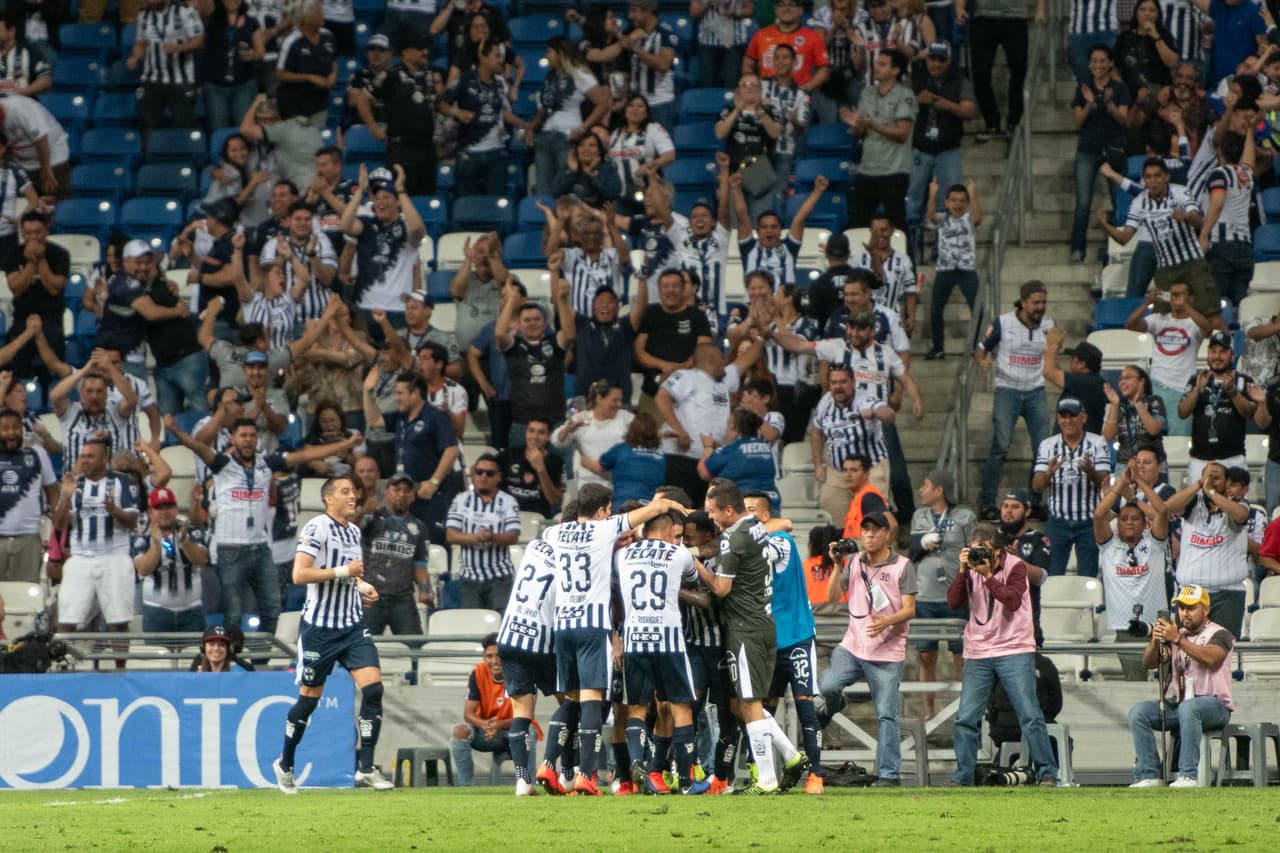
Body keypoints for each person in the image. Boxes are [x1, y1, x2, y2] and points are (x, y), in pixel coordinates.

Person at [535, 483, 689, 796]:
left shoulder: (553, 533)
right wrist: (674, 505)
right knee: (593, 698)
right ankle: (586, 775)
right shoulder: (605, 530)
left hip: (563, 626)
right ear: (604, 509)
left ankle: (548, 765)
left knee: (572, 699)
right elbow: (655, 510)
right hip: (593, 626)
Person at [166, 414, 362, 642]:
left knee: (272, 609)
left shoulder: (267, 463)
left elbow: (305, 455)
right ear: (233, 439)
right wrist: (176, 431)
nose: (248, 440)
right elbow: (198, 446)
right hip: (230, 548)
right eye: (243, 436)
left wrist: (347, 443)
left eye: (252, 435)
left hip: (260, 549)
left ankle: (261, 656)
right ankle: (231, 655)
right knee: (233, 613)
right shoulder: (222, 464)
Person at [273, 475, 394, 793]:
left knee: (373, 690)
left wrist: (362, 586)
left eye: (354, 491)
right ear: (329, 498)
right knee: (308, 702)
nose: (353, 496)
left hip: (352, 625)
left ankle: (365, 768)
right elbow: (300, 574)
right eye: (345, 491)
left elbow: (351, 574)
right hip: (320, 629)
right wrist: (345, 572)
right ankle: (285, 764)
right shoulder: (316, 527)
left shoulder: (353, 531)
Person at [697, 481, 809, 795]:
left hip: (745, 627)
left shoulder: (735, 538)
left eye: (713, 512)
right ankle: (790, 755)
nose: (711, 518)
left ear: (728, 510)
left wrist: (696, 566)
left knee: (748, 701)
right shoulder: (756, 528)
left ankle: (767, 779)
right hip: (762, 623)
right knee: (747, 702)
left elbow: (721, 589)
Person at [949, 521, 1057, 787]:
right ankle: (963, 777)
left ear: (998, 551)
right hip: (978, 649)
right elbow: (953, 602)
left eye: (984, 551)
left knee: (1029, 714)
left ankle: (1047, 773)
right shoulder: (970, 569)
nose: (980, 556)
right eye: (975, 550)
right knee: (966, 718)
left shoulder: (1016, 566)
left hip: (1014, 647)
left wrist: (988, 577)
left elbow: (1012, 600)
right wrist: (962, 571)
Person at [617, 508, 711, 795]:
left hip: (634, 639)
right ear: (671, 531)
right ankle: (686, 780)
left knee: (637, 707)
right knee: (681, 706)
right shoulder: (679, 553)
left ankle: (637, 763)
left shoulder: (623, 555)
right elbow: (692, 579)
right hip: (667, 639)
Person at [819, 510, 916, 787]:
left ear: (887, 534)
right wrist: (836, 565)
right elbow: (832, 597)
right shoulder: (855, 561)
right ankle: (835, 705)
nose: (870, 535)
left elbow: (910, 609)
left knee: (886, 714)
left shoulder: (903, 565)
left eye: (875, 530)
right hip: (853, 644)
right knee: (828, 686)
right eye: (865, 530)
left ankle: (889, 775)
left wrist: (887, 620)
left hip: (887, 652)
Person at [743, 492, 823, 794]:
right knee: (761, 708)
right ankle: (769, 771)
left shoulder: (781, 542)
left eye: (752, 510)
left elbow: (762, 551)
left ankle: (816, 775)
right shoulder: (752, 540)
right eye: (743, 510)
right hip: (768, 640)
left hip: (797, 636)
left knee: (804, 704)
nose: (746, 516)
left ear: (766, 516)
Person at [1098, 158, 1224, 332]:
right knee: (1163, 318)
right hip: (1165, 270)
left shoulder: (1180, 192)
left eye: (1157, 176)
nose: (1153, 181)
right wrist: (1105, 224)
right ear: (1144, 180)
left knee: (1212, 316)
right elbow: (1124, 237)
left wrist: (1187, 216)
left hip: (1192, 263)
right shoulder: (1139, 202)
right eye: (1148, 177)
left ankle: (1226, 347)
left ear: (1166, 177)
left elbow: (1200, 222)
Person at [1126, 585, 1234, 788]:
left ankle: (1187, 776)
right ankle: (1150, 775)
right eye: (1182, 608)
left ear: (1206, 609)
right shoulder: (1177, 635)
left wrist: (1177, 639)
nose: (1185, 613)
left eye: (1191, 608)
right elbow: (1149, 663)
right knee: (1139, 712)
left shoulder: (1220, 634)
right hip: (1181, 704)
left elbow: (1211, 658)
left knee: (1189, 708)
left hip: (1215, 706)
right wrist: (1155, 641)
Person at [975, 281, 1053, 518]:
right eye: (1036, 302)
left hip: (1036, 390)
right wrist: (982, 361)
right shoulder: (1003, 322)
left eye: (1043, 302)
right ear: (1024, 302)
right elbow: (981, 348)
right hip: (1007, 389)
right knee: (1000, 447)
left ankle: (1033, 502)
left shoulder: (1049, 325)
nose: (1040, 307)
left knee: (1042, 448)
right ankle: (987, 503)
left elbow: (1052, 356)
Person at [51, 437, 140, 643]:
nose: (84, 460)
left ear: (104, 459)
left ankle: (120, 663)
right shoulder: (74, 483)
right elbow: (60, 523)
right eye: (82, 456)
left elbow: (132, 522)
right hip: (80, 557)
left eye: (90, 456)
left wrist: (114, 511)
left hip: (115, 556)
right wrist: (66, 497)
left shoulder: (123, 481)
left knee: (119, 621)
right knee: (67, 619)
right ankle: (64, 661)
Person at [655, 339, 760, 509]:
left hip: (710, 462)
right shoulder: (686, 376)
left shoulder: (724, 380)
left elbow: (746, 360)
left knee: (704, 513)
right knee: (678, 511)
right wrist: (680, 431)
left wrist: (762, 337)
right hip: (682, 458)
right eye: (721, 358)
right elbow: (662, 397)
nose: (725, 362)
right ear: (711, 360)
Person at [1094, 466, 1172, 680]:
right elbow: (1099, 515)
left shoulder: (1154, 542)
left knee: (1170, 684)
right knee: (1136, 684)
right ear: (1117, 523)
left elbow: (1162, 512)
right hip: (1126, 626)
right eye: (1124, 518)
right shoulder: (1108, 546)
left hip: (1160, 624)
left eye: (1135, 518)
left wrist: (1139, 482)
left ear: (1145, 523)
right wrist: (1121, 483)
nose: (1129, 522)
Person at [496, 537, 560, 796]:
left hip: (509, 635)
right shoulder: (571, 556)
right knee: (573, 703)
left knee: (521, 713)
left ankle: (523, 782)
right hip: (540, 639)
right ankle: (559, 770)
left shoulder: (534, 546)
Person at [909, 468, 975, 717]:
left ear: (939, 490)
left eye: (925, 485)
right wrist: (921, 543)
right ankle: (929, 711)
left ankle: (964, 708)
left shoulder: (965, 517)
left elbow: (974, 548)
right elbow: (911, 552)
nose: (921, 490)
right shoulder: (919, 516)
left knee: (961, 656)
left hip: (955, 596)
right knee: (926, 655)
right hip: (924, 596)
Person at [1164, 462, 1251, 638]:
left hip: (1227, 595)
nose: (1211, 481)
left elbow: (1241, 515)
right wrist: (1199, 485)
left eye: (1216, 477)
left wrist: (1211, 492)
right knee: (1186, 649)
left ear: (1227, 483)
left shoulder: (1237, 504)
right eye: (1208, 476)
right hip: (1189, 594)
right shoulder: (1193, 504)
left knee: (1220, 649)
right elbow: (1169, 507)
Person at [1032, 396, 1112, 577]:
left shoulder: (1097, 443)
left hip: (1089, 523)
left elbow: (1104, 483)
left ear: (1083, 417)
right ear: (1058, 418)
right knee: (1052, 576)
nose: (1068, 421)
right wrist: (1049, 473)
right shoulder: (1047, 445)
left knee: (1088, 576)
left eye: (1073, 416)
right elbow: (1036, 485)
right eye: (1063, 416)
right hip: (1057, 522)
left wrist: (1090, 471)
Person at [441, 39, 530, 197]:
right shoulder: (464, 79)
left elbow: (502, 112)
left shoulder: (500, 84)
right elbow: (442, 104)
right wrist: (457, 113)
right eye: (497, 56)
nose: (501, 61)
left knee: (496, 201)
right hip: (469, 153)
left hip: (496, 153)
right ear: (483, 57)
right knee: (466, 202)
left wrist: (524, 124)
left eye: (502, 56)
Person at [340, 165, 428, 324]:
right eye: (377, 198)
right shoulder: (366, 224)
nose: (381, 202)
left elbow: (418, 230)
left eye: (386, 197)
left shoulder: (406, 227)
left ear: (397, 202)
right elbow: (345, 226)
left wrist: (400, 190)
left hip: (398, 310)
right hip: (365, 308)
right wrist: (360, 191)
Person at [840, 50, 916, 230]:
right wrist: (855, 124)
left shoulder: (905, 95)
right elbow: (862, 133)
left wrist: (873, 125)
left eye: (882, 64)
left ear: (895, 70)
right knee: (858, 224)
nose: (877, 67)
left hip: (894, 170)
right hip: (867, 169)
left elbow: (903, 134)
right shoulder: (867, 93)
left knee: (896, 225)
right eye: (877, 63)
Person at [1069, 44, 1130, 264]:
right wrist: (1090, 103)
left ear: (1110, 63)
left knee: (1118, 202)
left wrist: (1109, 103)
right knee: (1083, 203)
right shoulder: (1083, 87)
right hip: (1087, 150)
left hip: (1113, 151)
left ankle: (1122, 250)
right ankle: (1078, 249)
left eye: (1102, 61)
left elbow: (1123, 119)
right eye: (1094, 61)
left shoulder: (1120, 88)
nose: (1098, 65)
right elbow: (1078, 122)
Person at [1125, 280, 1212, 436]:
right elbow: (1130, 324)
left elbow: (1208, 329)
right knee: (1148, 435)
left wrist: (1185, 306)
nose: (1176, 297)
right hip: (1156, 386)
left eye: (1181, 294)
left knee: (1179, 437)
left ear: (1191, 298)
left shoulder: (1193, 323)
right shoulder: (1158, 319)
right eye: (1173, 294)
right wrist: (1147, 303)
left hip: (1181, 389)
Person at [496, 280, 575, 449]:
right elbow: (500, 334)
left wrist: (562, 301)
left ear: (545, 323)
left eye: (537, 319)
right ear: (518, 325)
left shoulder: (554, 342)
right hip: (523, 424)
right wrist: (511, 300)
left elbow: (569, 335)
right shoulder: (514, 346)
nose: (532, 323)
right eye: (527, 320)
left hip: (555, 422)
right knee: (519, 465)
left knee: (557, 465)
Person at [366, 32, 438, 196]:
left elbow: (435, 104)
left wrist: (456, 112)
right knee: (403, 196)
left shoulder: (428, 74)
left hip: (427, 149)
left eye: (425, 48)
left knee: (426, 197)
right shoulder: (391, 75)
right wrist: (373, 127)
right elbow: (363, 97)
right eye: (420, 48)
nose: (425, 52)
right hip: (403, 150)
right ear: (406, 52)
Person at [634, 269, 714, 417]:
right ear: (659, 290)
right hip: (653, 395)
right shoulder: (650, 313)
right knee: (648, 432)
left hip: (689, 398)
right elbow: (639, 351)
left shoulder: (698, 316)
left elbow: (705, 351)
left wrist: (680, 369)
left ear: (683, 289)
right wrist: (663, 365)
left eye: (675, 286)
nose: (670, 290)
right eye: (665, 286)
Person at [1177, 330, 1255, 482]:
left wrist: (1233, 392)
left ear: (1232, 355)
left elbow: (1249, 414)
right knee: (1197, 498)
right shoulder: (1196, 379)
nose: (1217, 356)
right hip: (1200, 460)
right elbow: (1182, 412)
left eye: (1222, 352)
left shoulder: (1243, 380)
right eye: (1213, 351)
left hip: (1233, 459)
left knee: (1234, 498)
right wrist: (1197, 390)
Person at [446, 455, 521, 610]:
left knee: (500, 623)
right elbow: (451, 535)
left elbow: (513, 536)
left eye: (489, 473)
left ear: (498, 477)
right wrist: (477, 537)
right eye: (479, 472)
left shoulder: (509, 501)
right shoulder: (461, 500)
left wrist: (492, 537)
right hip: (469, 578)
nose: (484, 476)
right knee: (472, 623)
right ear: (473, 475)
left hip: (500, 578)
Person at [360, 470, 430, 636]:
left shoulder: (419, 528)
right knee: (363, 644)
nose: (402, 494)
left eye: (407, 491)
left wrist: (425, 589)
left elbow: (420, 564)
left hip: (402, 599)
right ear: (387, 492)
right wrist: (362, 511)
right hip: (371, 595)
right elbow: (350, 529)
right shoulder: (372, 519)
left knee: (415, 646)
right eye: (397, 489)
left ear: (413, 496)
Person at [962, 0, 1045, 140]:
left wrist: (1041, 9)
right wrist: (959, 6)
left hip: (1015, 17)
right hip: (983, 18)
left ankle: (1014, 123)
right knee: (980, 73)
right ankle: (992, 123)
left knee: (1019, 69)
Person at [2, 211, 68, 384]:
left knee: (54, 373)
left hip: (52, 321)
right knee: (14, 372)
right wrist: (31, 263)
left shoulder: (60, 254)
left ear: (46, 231)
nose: (33, 237)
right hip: (21, 321)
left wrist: (41, 259)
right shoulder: (13, 254)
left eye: (37, 232)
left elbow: (54, 289)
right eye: (28, 233)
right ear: (22, 233)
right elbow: (16, 289)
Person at [132, 487, 209, 633]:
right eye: (159, 508)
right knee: (157, 650)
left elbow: (201, 560)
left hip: (191, 611)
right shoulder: (142, 536)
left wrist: (184, 541)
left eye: (169, 506)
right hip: (156, 612)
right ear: (150, 511)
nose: (164, 512)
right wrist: (156, 544)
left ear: (176, 509)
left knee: (193, 649)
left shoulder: (192, 531)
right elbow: (143, 569)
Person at [925, 180, 981, 359]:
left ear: (967, 203)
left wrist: (972, 195)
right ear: (947, 202)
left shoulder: (969, 218)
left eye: (962, 201)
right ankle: (938, 348)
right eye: (954, 200)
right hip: (945, 269)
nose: (958, 204)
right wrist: (932, 194)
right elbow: (931, 216)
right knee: (936, 310)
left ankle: (978, 347)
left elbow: (979, 217)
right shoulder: (943, 218)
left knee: (977, 308)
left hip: (967, 269)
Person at [128, 0, 204, 131]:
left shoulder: (185, 11)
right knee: (147, 126)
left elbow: (199, 41)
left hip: (181, 80)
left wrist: (179, 48)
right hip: (152, 79)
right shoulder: (143, 15)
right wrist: (135, 57)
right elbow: (140, 43)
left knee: (184, 126)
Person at [0, 407, 57, 583]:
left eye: (15, 427)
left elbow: (53, 493)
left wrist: (56, 535)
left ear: (22, 429)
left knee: (26, 591)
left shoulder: (37, 453)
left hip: (29, 538)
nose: (11, 433)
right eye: (5, 428)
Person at [451, 633, 515, 786]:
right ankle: (466, 788)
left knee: (528, 731)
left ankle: (527, 784)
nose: (494, 661)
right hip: (486, 731)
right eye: (489, 656)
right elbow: (468, 713)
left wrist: (500, 724)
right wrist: (487, 725)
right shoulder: (477, 672)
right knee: (460, 731)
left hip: (513, 731)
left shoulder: (520, 672)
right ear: (483, 656)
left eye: (498, 655)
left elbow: (526, 716)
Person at [553, 381, 634, 490]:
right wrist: (568, 429)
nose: (619, 404)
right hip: (588, 483)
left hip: (619, 483)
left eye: (620, 400)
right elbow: (557, 442)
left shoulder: (627, 419)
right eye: (615, 400)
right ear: (599, 399)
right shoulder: (581, 418)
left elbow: (643, 443)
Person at [742, 0, 830, 95]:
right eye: (781, 5)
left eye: (792, 5)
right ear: (775, 10)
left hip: (799, 97)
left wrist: (807, 88)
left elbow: (824, 69)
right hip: (765, 96)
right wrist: (753, 84)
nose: (786, 8)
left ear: (800, 10)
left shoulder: (812, 37)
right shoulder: (761, 35)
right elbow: (748, 62)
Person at [274, 0, 335, 126]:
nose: (323, 14)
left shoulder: (328, 36)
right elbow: (280, 74)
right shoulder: (291, 41)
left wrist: (332, 77)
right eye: (319, 12)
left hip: (320, 101)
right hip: (294, 103)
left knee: (318, 136)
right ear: (305, 18)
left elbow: (333, 61)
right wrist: (309, 77)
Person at [1042, 329, 1108, 433]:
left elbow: (1049, 372)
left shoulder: (1085, 382)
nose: (1070, 362)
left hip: (1079, 441)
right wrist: (1055, 349)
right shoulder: (1091, 381)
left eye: (1072, 359)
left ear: (1081, 364)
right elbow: (1057, 372)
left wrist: (1051, 347)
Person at [495, 419, 564, 518]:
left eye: (541, 433)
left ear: (548, 436)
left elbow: (555, 501)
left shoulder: (556, 462)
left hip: (537, 519)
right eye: (531, 431)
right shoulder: (508, 454)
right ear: (526, 433)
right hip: (506, 516)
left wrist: (541, 469)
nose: (535, 437)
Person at [1103, 365, 1167, 465]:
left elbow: (1154, 430)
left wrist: (1138, 404)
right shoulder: (1120, 404)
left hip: (1150, 463)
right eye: (1121, 378)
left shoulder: (1154, 400)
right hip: (1125, 463)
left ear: (1141, 381)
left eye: (1128, 378)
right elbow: (1108, 436)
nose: (1122, 382)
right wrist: (1115, 404)